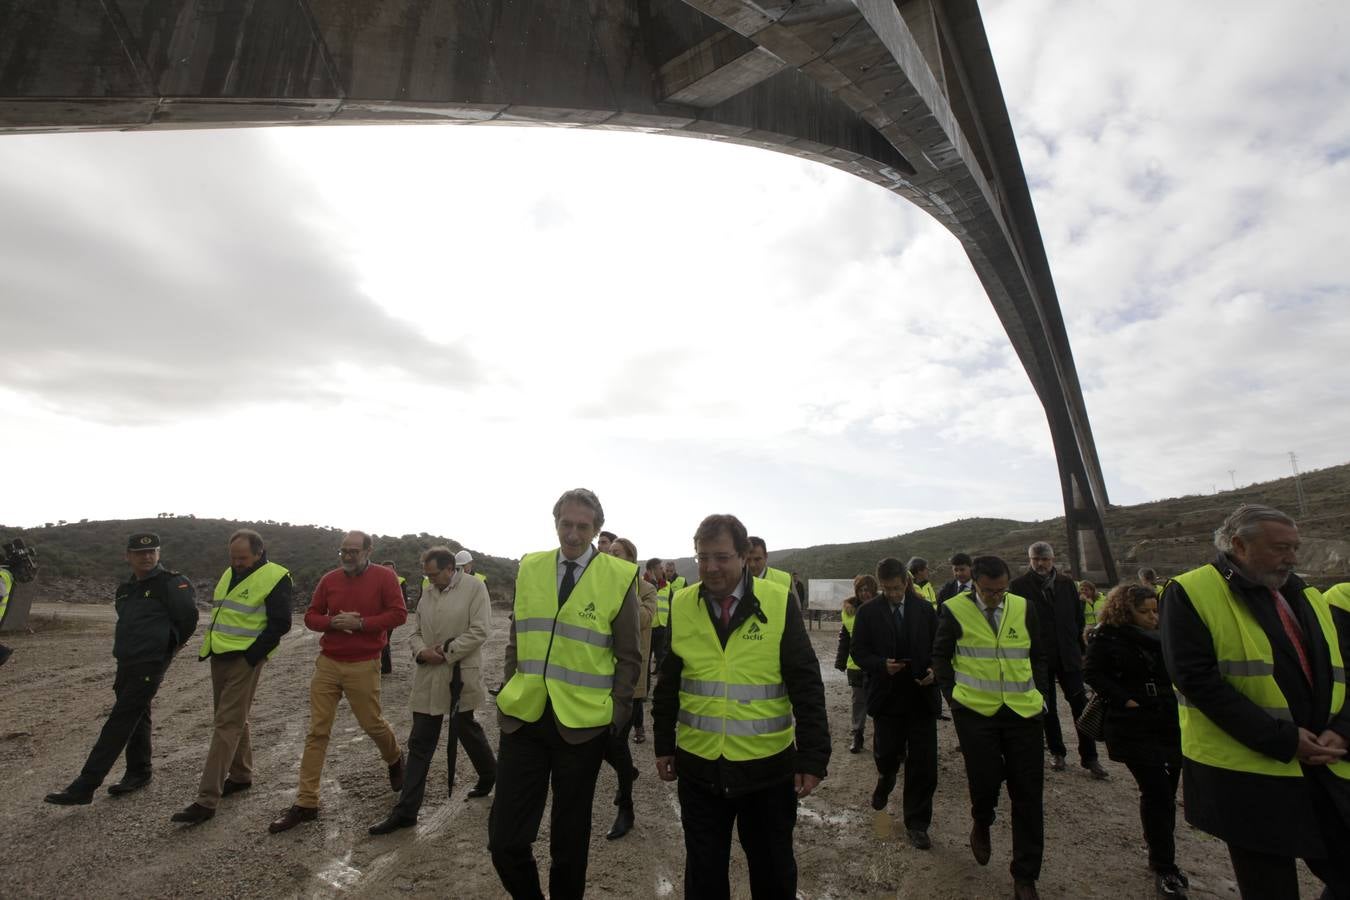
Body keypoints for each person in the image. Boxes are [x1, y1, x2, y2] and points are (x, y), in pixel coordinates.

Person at [1163, 504, 1350, 900]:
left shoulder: (1307, 594)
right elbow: (1197, 682)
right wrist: (1281, 739)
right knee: (1270, 889)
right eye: (1281, 548)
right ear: (1238, 545)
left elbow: (1341, 673)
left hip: (1322, 765)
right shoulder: (1190, 591)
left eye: (1295, 547)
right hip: (1249, 776)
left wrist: (1341, 729)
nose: (1292, 558)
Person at [653, 513, 830, 900]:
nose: (710, 568)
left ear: (744, 555)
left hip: (767, 771)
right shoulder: (682, 604)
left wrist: (813, 756)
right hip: (699, 768)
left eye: (721, 557)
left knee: (772, 871)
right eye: (702, 557)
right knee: (703, 872)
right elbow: (669, 683)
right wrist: (663, 743)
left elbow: (805, 683)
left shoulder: (777, 602)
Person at [488, 488, 642, 900]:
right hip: (524, 719)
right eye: (566, 524)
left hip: (583, 727)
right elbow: (516, 640)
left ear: (596, 529)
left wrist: (617, 714)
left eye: (583, 526)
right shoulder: (531, 566)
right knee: (504, 843)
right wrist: (509, 686)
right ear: (555, 522)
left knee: (569, 848)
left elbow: (629, 656)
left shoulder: (619, 575)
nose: (573, 535)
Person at [268, 530, 408, 833]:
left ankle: (395, 758)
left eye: (353, 551)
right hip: (329, 663)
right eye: (343, 550)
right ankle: (306, 803)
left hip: (364, 663)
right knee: (317, 731)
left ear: (368, 550)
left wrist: (362, 624)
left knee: (372, 723)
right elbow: (310, 616)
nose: (347, 556)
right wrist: (331, 622)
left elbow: (399, 614)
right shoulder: (329, 579)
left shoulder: (385, 578)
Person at [45, 533, 198, 805]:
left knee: (121, 718)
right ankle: (140, 771)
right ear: (128, 556)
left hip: (151, 662)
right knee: (138, 714)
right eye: (140, 553)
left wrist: (169, 650)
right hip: (127, 661)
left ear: (159, 554)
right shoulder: (125, 589)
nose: (147, 556)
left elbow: (188, 620)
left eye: (152, 551)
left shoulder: (172, 583)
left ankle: (86, 784)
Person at [932, 555, 1047, 900]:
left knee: (1028, 794)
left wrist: (1039, 691)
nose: (996, 596)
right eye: (989, 591)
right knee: (984, 781)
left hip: (1023, 713)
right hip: (975, 713)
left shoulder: (1023, 607)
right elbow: (940, 655)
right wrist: (953, 697)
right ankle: (982, 820)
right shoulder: (953, 609)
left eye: (1002, 590)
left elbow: (1038, 654)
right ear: (976, 585)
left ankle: (1025, 875)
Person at [369, 545, 496, 834]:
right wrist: (421, 652)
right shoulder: (428, 590)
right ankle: (406, 811)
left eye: (434, 573)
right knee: (421, 742)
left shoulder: (475, 588)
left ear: (451, 568)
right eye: (426, 574)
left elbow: (481, 630)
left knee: (466, 728)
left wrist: (447, 651)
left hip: (459, 673)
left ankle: (490, 774)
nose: (429, 579)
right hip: (428, 674)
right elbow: (415, 632)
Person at [171, 529, 293, 825]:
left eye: (243, 558)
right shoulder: (229, 572)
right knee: (232, 719)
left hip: (245, 659)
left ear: (259, 552)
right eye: (233, 557)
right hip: (220, 655)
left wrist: (252, 657)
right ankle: (241, 774)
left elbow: (281, 624)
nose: (237, 562)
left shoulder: (277, 576)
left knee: (226, 724)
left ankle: (206, 800)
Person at [1084, 583, 1188, 898]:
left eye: (1155, 610)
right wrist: (1125, 699)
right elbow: (1092, 673)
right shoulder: (1106, 637)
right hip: (1132, 725)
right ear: (1125, 611)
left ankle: (1156, 844)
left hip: (1168, 721)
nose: (1151, 617)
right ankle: (1164, 866)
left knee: (1166, 793)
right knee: (1156, 790)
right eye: (1143, 612)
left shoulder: (1166, 636)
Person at [849, 558, 940, 849]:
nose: (893, 594)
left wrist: (934, 672)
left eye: (897, 588)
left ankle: (917, 823)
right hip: (887, 697)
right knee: (887, 754)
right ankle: (886, 778)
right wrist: (880, 665)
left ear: (906, 582)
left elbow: (941, 649)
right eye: (887, 589)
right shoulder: (867, 613)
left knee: (923, 763)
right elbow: (859, 651)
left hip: (920, 696)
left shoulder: (925, 611)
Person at [1009, 541, 1106, 778]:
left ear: (1053, 559)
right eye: (1036, 559)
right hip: (1039, 656)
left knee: (1080, 705)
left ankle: (1090, 757)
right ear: (1029, 560)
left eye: (1044, 559)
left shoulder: (1066, 585)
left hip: (1068, 654)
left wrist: (1077, 647)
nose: (1040, 563)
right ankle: (1057, 752)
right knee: (1047, 707)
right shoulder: (1019, 586)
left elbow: (1077, 617)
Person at [599, 537, 657, 840]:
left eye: (617, 554)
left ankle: (626, 808)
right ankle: (628, 772)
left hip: (630, 681)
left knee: (616, 741)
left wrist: (623, 593)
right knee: (602, 741)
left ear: (631, 560)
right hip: (600, 676)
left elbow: (645, 620)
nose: (610, 558)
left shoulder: (646, 589)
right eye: (608, 554)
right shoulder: (599, 583)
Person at [835, 574, 879, 753]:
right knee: (858, 701)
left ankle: (883, 738)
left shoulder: (883, 607)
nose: (864, 594)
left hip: (878, 664)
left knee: (880, 701)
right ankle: (857, 735)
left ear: (874, 590)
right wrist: (840, 660)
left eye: (867, 590)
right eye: (861, 590)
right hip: (856, 665)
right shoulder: (849, 611)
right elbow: (845, 638)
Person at [380, 559, 409, 674]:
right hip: (379, 615)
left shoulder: (400, 581)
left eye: (390, 569)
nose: (388, 571)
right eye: (385, 569)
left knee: (385, 639)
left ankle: (384, 668)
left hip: (391, 616)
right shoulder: (377, 580)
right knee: (383, 640)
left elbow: (404, 599)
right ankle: (385, 668)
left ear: (394, 570)